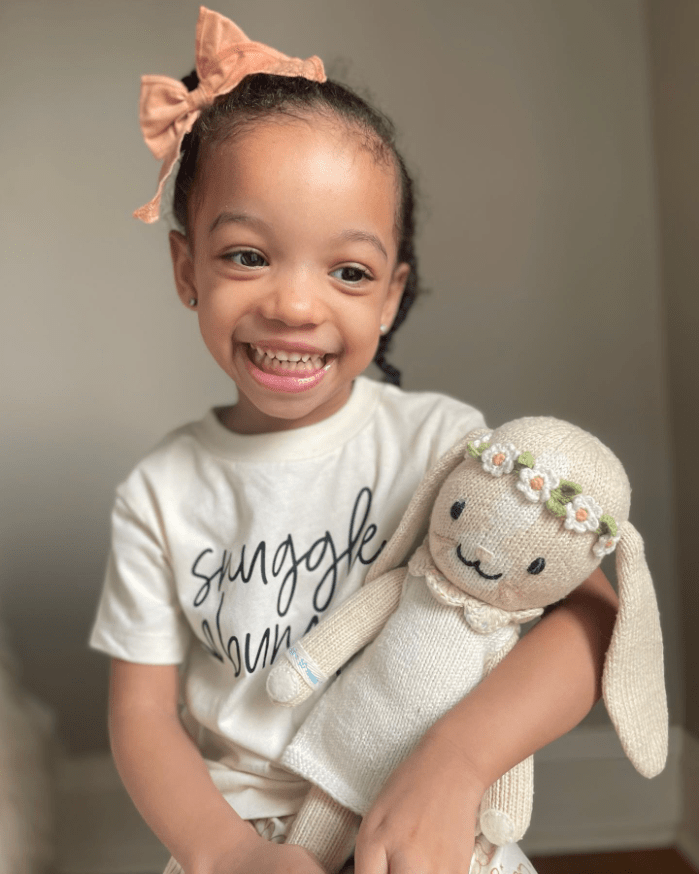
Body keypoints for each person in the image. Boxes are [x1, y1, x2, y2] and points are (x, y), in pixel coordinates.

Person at [90, 8, 619, 874]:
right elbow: (140, 718)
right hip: (245, 838)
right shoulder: (161, 490)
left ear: (389, 296)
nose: (296, 306)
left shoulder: (446, 443)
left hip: (431, 818)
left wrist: (453, 766)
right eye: (248, 256)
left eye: (348, 272)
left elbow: (591, 617)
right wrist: (223, 854)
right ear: (187, 269)